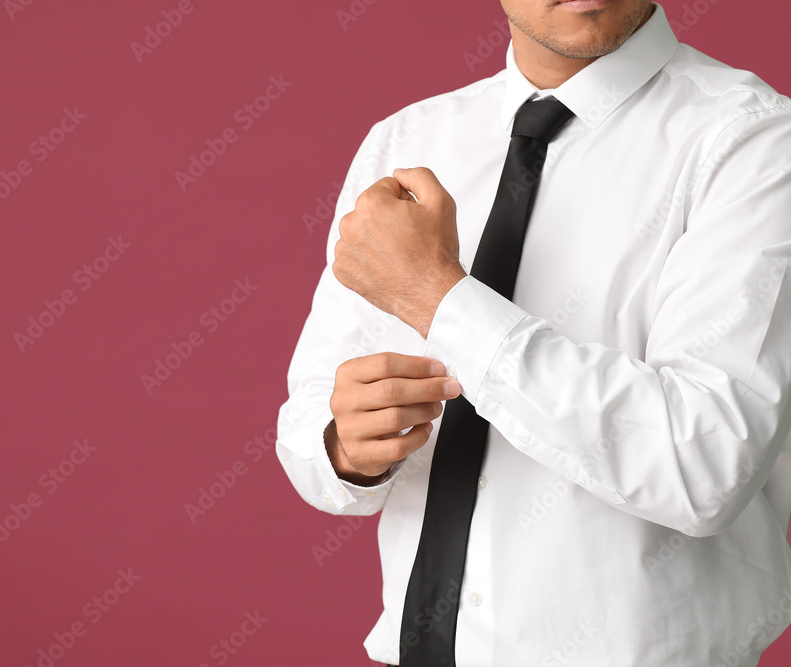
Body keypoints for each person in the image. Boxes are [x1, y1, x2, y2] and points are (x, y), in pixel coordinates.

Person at [275, 1, 791, 665]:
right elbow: (309, 423)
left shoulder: (754, 143)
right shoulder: (406, 141)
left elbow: (705, 465)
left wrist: (438, 298)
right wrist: (346, 447)